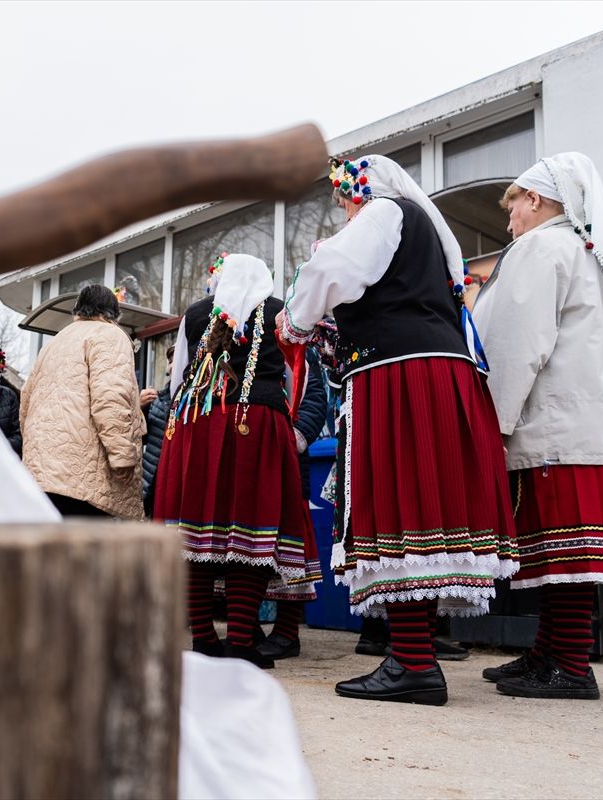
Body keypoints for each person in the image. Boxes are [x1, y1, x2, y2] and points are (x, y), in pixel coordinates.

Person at [277, 155, 517, 705]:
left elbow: (330, 271)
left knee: (399, 505)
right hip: (439, 370)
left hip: (399, 374)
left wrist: (294, 320)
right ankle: (415, 657)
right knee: (422, 513)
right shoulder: (427, 231)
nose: (345, 213)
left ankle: (412, 663)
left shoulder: (385, 211)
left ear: (364, 191)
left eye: (345, 201)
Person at [473, 152, 603, 699]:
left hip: (556, 428)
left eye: (512, 205)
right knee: (556, 553)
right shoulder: (583, 250)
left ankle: (569, 663)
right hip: (584, 425)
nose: (509, 218)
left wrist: (492, 423)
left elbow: (518, 344)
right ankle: (548, 652)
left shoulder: (542, 247)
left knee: (561, 551)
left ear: (536, 199)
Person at [154, 253, 318, 667]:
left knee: (195, 532)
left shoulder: (195, 313)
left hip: (199, 423)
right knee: (254, 528)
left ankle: (206, 638)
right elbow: (295, 377)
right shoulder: (280, 313)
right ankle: (242, 640)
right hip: (258, 424)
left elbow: (179, 379)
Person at [21, 285, 144, 518]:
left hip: (42, 470)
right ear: (113, 314)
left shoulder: (55, 342)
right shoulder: (109, 335)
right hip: (84, 475)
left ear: (77, 311)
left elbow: (25, 401)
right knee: (87, 549)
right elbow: (110, 398)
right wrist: (122, 455)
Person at [255, 345, 327, 661]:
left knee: (289, 546)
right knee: (251, 546)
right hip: (253, 456)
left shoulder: (294, 348)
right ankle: (248, 626)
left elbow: (314, 399)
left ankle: (286, 631)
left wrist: (293, 438)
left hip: (288, 461)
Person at [141, 346, 174, 519]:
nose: (172, 365)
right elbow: (139, 437)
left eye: (176, 359)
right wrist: (139, 408)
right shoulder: (157, 400)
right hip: (152, 486)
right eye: (169, 361)